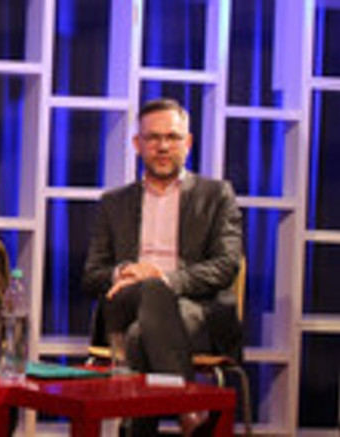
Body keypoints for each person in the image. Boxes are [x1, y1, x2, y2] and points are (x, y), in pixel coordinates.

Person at [82, 98, 243, 436]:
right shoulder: (114, 202)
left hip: (193, 306)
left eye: (172, 137)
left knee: (140, 334)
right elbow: (92, 274)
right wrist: (125, 272)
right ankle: (188, 410)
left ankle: (137, 430)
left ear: (188, 142)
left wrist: (163, 278)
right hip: (124, 303)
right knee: (146, 298)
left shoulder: (216, 195)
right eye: (153, 138)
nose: (163, 146)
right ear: (137, 144)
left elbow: (226, 265)